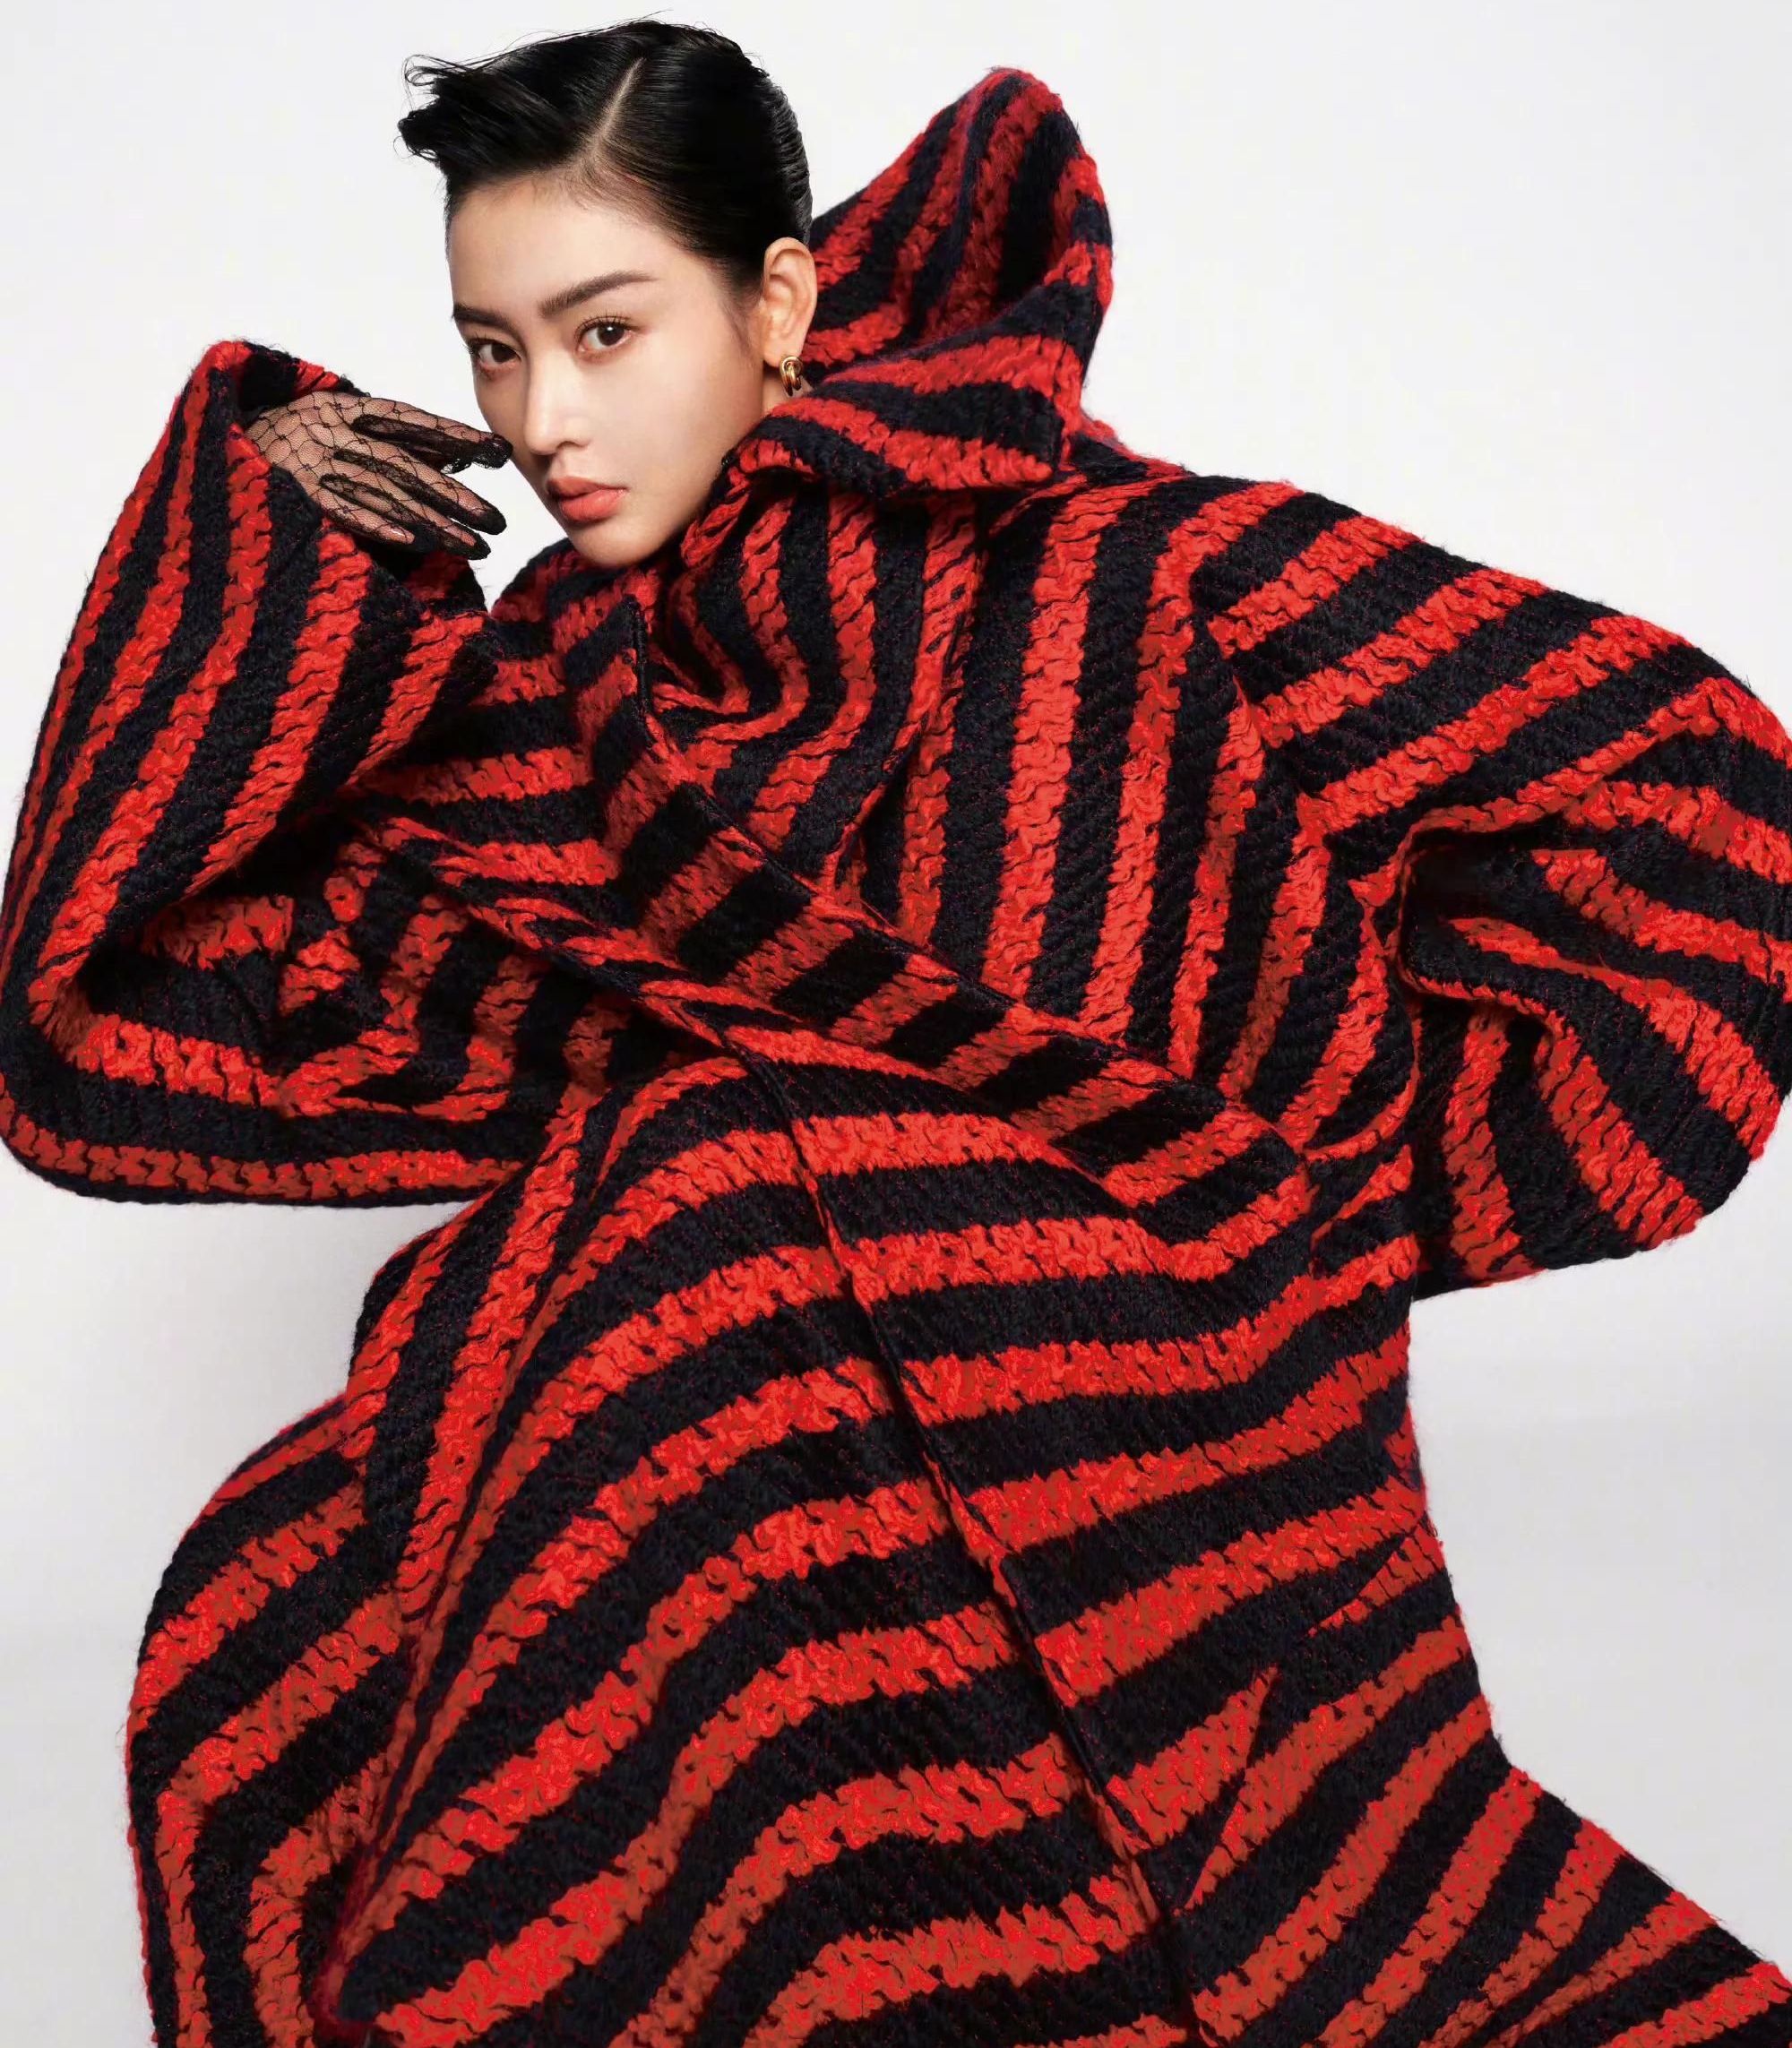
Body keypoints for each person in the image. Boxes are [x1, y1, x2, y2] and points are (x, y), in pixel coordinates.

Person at [1, 21, 1788, 2048]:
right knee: (265, 1633)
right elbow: (122, 1043)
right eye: (494, 350)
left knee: (696, 1207)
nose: (544, 420)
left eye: (604, 332)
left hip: (1154, 1390)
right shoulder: (567, 695)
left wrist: (1329, 1192)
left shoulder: (1136, 568)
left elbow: (1687, 789)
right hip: (747, 1385)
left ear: (775, 303)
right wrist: (261, 548)